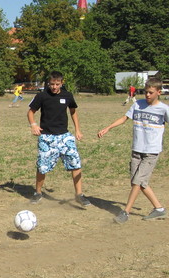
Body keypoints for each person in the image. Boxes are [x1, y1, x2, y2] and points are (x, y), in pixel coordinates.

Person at [98, 78, 169, 223]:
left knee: (137, 182)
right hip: (137, 149)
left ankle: (125, 212)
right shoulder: (137, 104)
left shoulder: (164, 109)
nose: (147, 95)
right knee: (138, 182)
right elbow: (124, 118)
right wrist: (108, 128)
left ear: (159, 92)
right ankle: (159, 209)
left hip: (151, 151)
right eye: (146, 92)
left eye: (150, 92)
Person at [27, 71, 91, 206]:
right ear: (48, 83)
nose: (54, 87)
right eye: (52, 84)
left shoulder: (67, 95)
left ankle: (79, 194)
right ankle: (38, 193)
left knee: (75, 163)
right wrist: (33, 125)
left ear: (62, 83)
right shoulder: (42, 96)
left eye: (57, 84)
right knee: (42, 167)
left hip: (64, 136)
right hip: (47, 137)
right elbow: (30, 112)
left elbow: (73, 112)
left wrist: (77, 130)